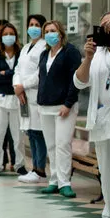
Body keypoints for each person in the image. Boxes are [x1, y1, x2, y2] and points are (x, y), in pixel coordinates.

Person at [75, 12, 110, 218]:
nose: (107, 28)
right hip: (104, 120)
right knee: (108, 172)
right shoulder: (96, 54)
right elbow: (79, 82)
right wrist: (88, 57)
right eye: (103, 24)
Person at [37, 20, 82, 198]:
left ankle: (65, 183)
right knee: (52, 145)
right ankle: (54, 180)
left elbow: (76, 80)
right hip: (45, 106)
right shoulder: (44, 54)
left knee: (63, 144)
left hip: (64, 106)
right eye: (47, 31)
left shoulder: (71, 52)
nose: (50, 34)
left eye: (53, 30)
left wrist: (68, 103)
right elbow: (42, 79)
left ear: (61, 33)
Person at [0, 22, 27, 176]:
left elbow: (23, 74)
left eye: (11, 34)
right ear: (0, 37)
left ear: (16, 36)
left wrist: (6, 73)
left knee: (18, 136)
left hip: (17, 99)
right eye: (5, 34)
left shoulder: (21, 54)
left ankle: (19, 165)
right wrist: (12, 74)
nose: (8, 37)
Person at [13, 14, 48, 183]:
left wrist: (23, 86)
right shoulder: (26, 46)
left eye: (36, 24)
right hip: (23, 96)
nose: (33, 27)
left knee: (38, 133)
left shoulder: (44, 47)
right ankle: (34, 168)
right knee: (30, 132)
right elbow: (18, 69)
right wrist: (17, 87)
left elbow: (40, 73)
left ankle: (39, 169)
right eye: (30, 24)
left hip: (34, 95)